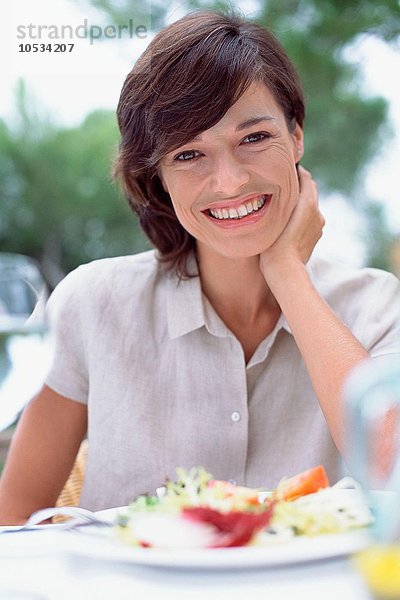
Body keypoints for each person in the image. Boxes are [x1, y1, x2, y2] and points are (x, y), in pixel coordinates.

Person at [0, 10, 399, 524]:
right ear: (159, 177)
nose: (230, 182)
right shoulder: (94, 302)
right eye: (189, 154)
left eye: (254, 138)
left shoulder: (375, 304)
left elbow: (391, 467)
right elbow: (12, 521)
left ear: (296, 136)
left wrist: (287, 272)